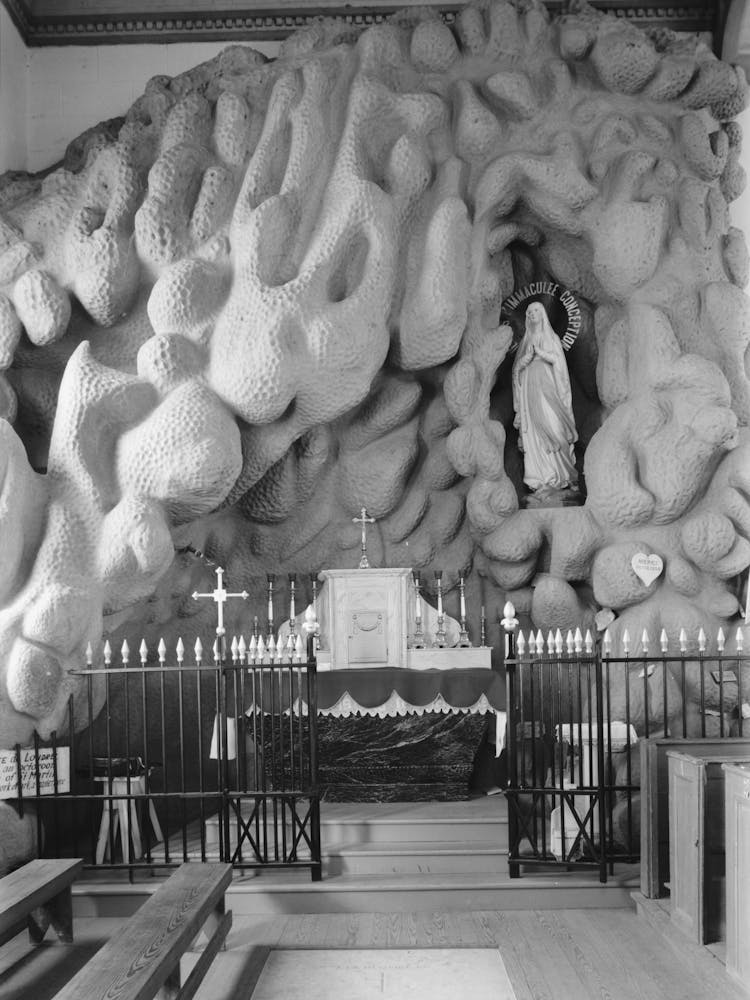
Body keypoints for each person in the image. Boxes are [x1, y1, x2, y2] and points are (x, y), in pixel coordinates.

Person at [512, 301, 578, 494]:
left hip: (550, 393)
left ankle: (563, 475)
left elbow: (560, 366)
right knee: (534, 435)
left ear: (543, 315)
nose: (532, 314)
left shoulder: (552, 338)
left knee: (556, 428)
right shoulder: (524, 343)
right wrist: (523, 363)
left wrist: (542, 354)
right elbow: (516, 372)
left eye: (536, 311)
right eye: (529, 312)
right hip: (530, 396)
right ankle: (540, 479)